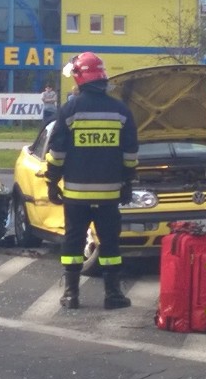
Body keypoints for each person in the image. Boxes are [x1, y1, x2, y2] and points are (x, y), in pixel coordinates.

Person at [45, 52, 139, 310]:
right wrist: (127, 183)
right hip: (109, 195)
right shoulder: (121, 110)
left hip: (76, 196)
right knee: (110, 243)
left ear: (79, 77)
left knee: (73, 242)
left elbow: (57, 153)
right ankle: (113, 295)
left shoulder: (70, 109)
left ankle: (71, 295)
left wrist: (52, 183)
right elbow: (130, 154)